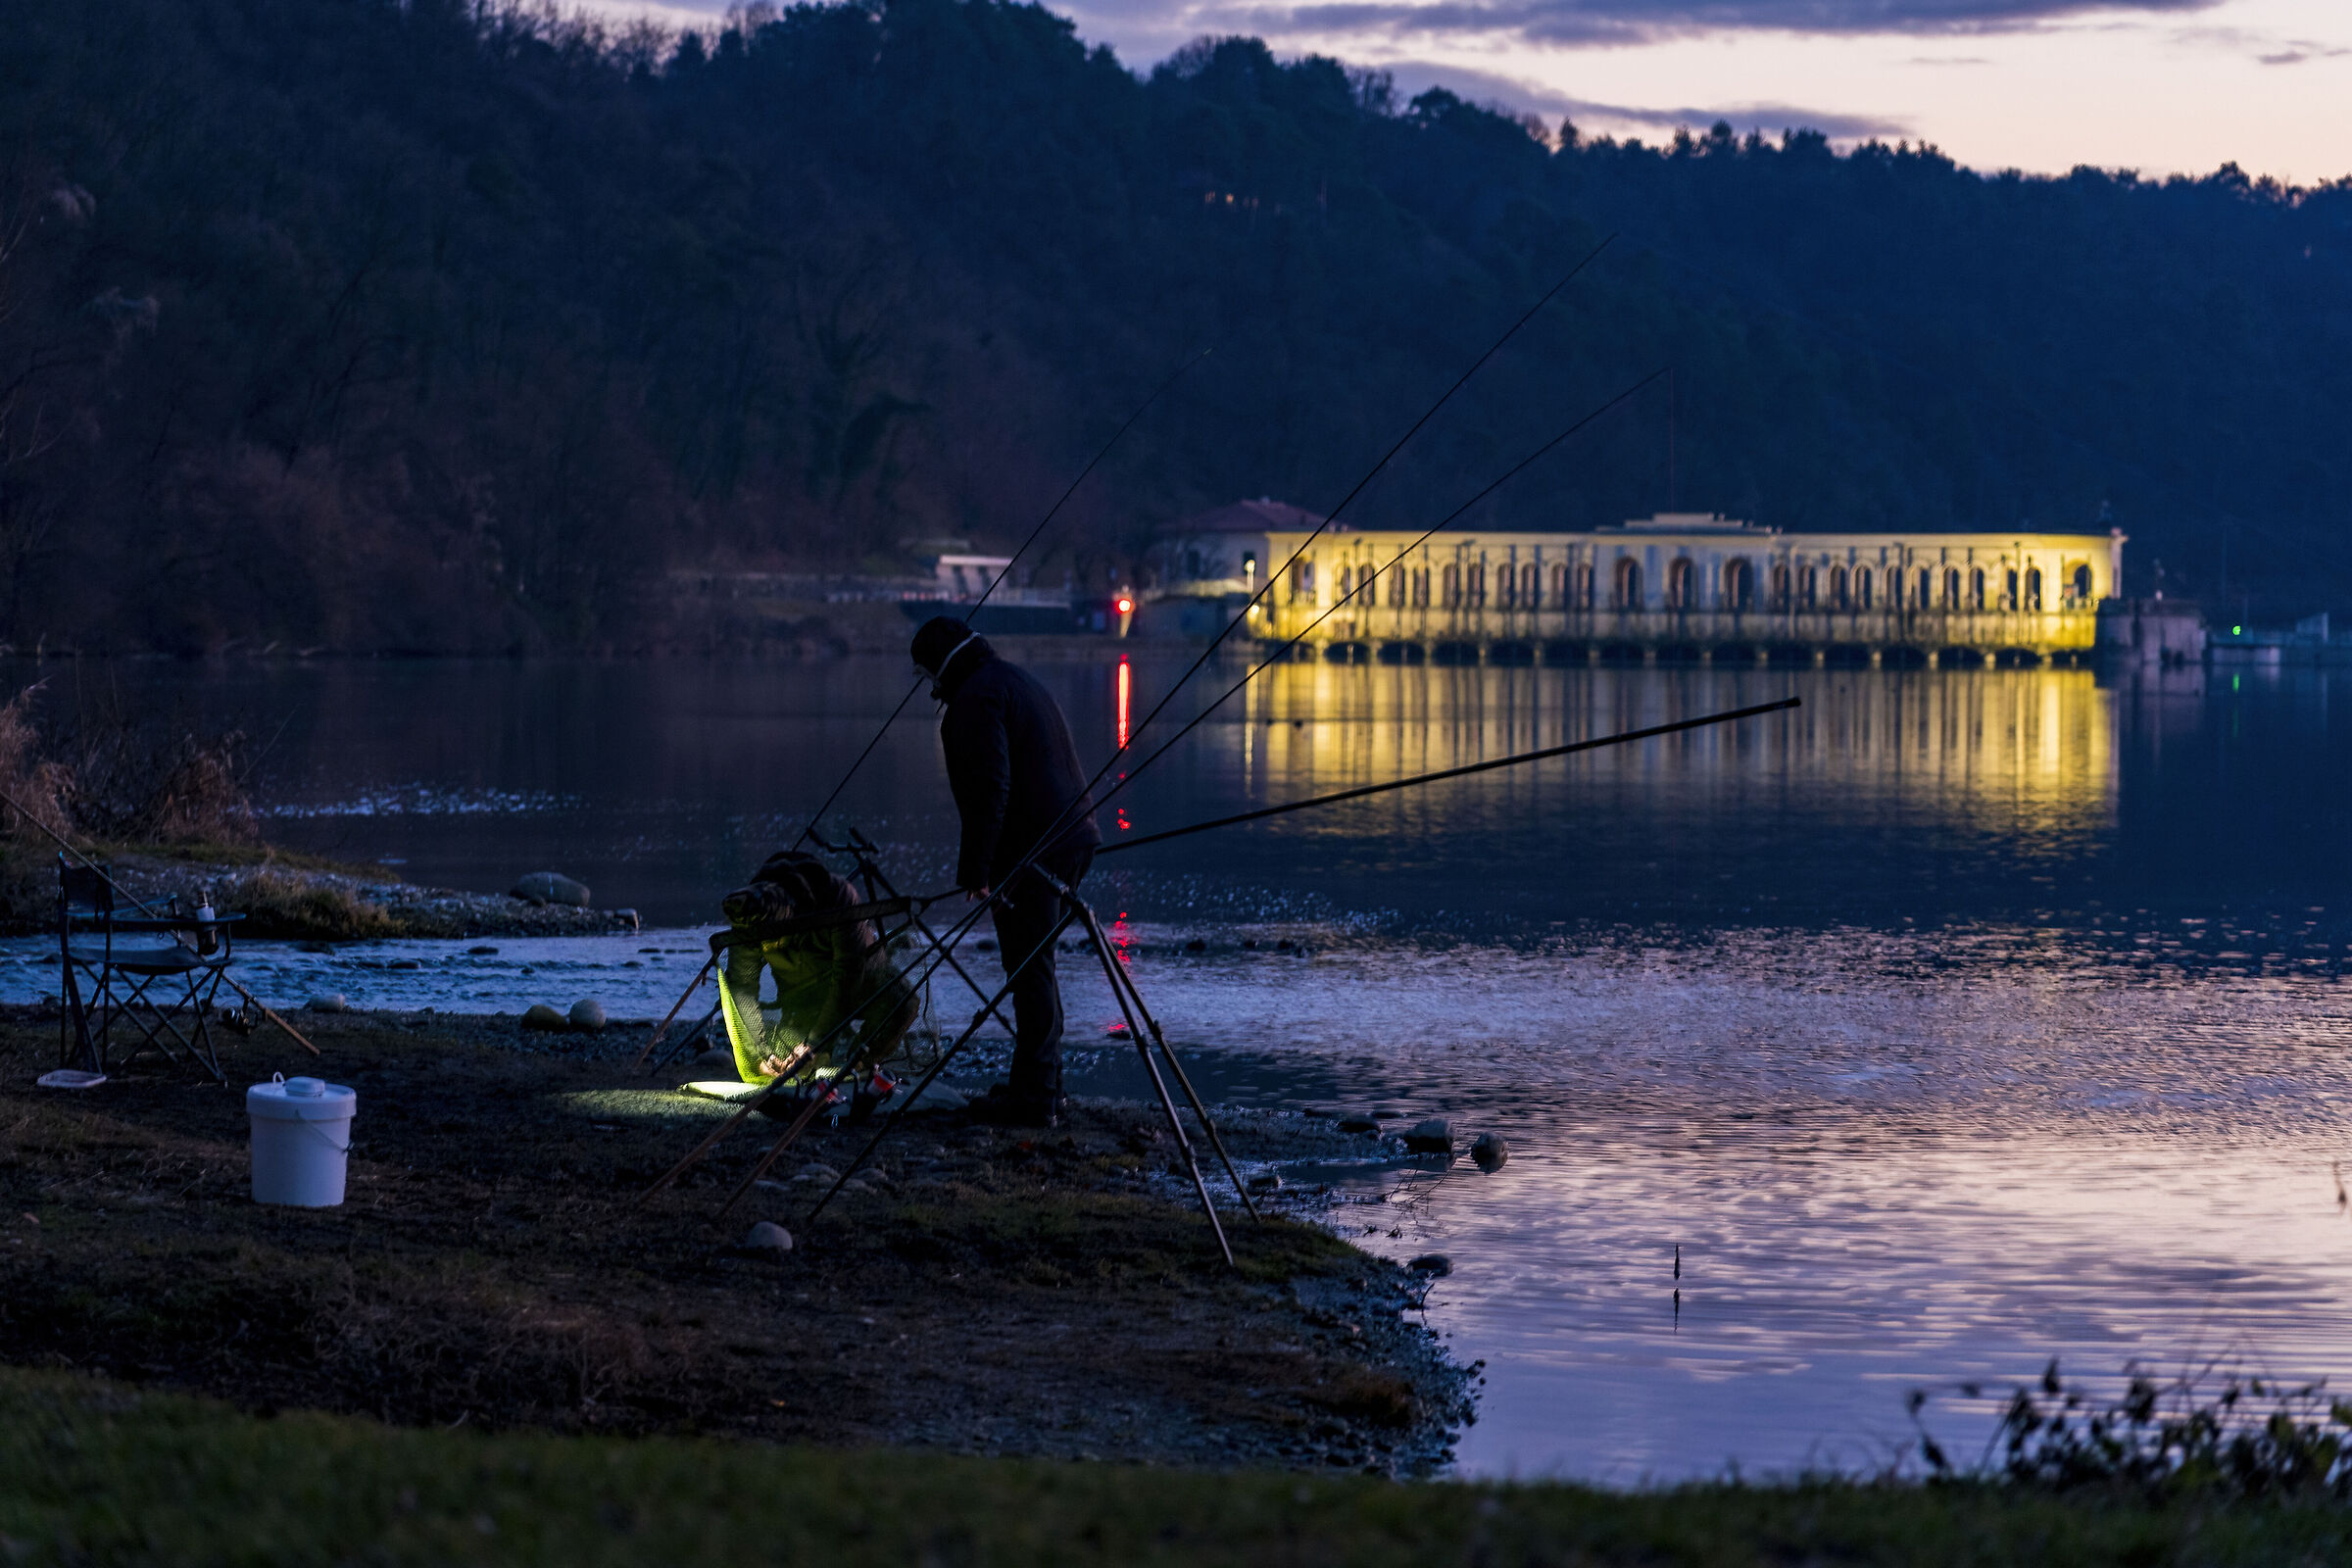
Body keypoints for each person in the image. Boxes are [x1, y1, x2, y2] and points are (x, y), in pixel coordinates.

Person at [910, 615, 1101, 1127]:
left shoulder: (974, 700)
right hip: (1074, 838)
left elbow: (988, 791)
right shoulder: (1012, 679)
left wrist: (977, 870)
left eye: (926, 673)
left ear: (939, 666)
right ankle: (1041, 1085)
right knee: (1036, 966)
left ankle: (1036, 1100)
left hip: (1037, 850)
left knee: (1029, 970)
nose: (929, 687)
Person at [714, 850, 916, 1120]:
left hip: (864, 979)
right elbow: (742, 985)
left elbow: (847, 976)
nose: (768, 944)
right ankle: (816, 1080)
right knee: (794, 1066)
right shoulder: (750, 914)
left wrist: (817, 1042)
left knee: (902, 1003)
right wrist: (759, 1048)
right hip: (804, 996)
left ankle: (858, 1067)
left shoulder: (836, 895)